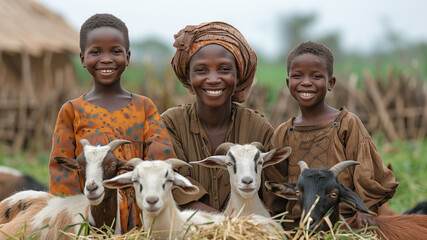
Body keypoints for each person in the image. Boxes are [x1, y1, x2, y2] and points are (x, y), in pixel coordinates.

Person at [48, 13, 176, 232]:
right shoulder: (72, 111)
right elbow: (62, 172)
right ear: (82, 58)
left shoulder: (144, 107)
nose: (106, 59)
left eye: (115, 51)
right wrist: (76, 221)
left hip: (140, 216)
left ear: (127, 56)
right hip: (90, 217)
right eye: (95, 52)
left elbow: (160, 162)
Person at [263, 41, 399, 229]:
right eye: (297, 76)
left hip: (343, 222)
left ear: (331, 82)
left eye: (316, 76)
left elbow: (367, 172)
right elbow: (275, 184)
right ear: (288, 83)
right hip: (297, 224)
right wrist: (277, 223)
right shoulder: (283, 133)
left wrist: (366, 209)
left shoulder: (346, 124)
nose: (306, 82)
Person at [161, 21, 274, 212]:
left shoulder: (259, 128)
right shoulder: (170, 124)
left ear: (238, 76)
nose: (213, 79)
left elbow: (272, 194)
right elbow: (173, 184)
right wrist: (223, 226)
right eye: (201, 70)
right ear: (188, 77)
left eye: (224, 69)